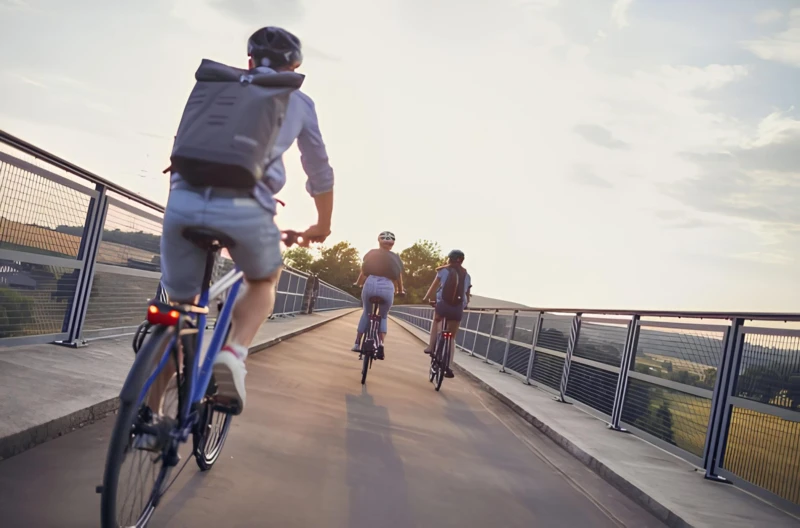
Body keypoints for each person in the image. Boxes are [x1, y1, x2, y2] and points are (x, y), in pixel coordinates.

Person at [144, 27, 335, 437]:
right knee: (264, 277)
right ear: (294, 67)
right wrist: (322, 224)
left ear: (248, 60)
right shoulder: (296, 100)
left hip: (183, 204)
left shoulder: (215, 89)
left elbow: (183, 147)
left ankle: (147, 419)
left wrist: (185, 202)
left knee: (179, 314)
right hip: (247, 209)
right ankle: (233, 352)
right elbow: (319, 170)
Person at [352, 231, 405, 359]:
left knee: (366, 313)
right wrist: (400, 290)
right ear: (392, 245)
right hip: (387, 287)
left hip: (370, 284)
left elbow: (364, 271)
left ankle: (357, 343)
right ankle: (380, 344)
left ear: (379, 241)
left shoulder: (371, 253)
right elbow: (398, 276)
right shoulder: (396, 258)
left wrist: (358, 283)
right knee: (383, 316)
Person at [422, 250, 471, 378]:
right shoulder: (467, 274)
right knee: (451, 337)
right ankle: (448, 366)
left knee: (437, 320)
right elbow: (467, 294)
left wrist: (426, 298)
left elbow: (433, 287)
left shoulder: (443, 271)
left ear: (449, 259)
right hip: (457, 307)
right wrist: (465, 305)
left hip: (443, 305)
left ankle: (431, 347)